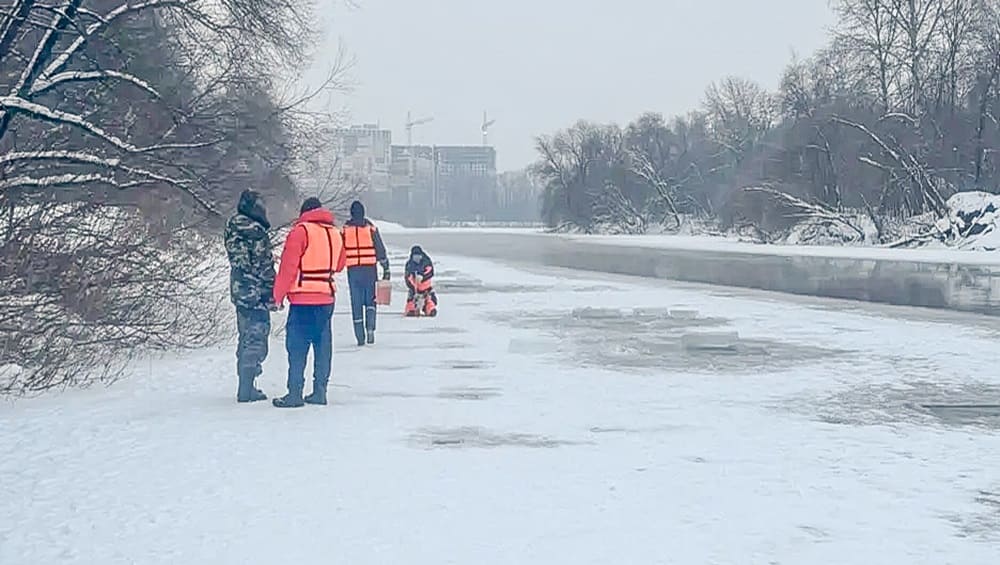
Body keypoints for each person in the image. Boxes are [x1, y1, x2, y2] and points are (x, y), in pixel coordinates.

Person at [271, 197, 346, 408]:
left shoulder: (300, 232)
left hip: (303, 299)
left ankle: (295, 393)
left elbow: (288, 267)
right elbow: (340, 265)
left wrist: (277, 296)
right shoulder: (335, 233)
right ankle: (320, 391)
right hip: (326, 297)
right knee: (323, 346)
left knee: (297, 347)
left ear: (304, 212)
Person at [223, 190, 277, 403]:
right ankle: (247, 387)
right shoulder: (256, 231)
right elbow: (264, 264)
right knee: (256, 337)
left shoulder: (231, 226)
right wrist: (272, 290)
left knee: (244, 335)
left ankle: (244, 384)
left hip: (238, 288)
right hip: (256, 291)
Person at [341, 200, 390, 346]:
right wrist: (386, 267)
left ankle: (359, 336)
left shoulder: (344, 230)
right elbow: (380, 249)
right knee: (371, 300)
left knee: (356, 302)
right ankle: (370, 328)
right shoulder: (371, 229)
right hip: (370, 269)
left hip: (353, 270)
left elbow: (339, 250)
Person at [404, 245, 438, 317]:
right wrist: (412, 283)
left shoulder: (427, 262)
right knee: (411, 300)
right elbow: (407, 276)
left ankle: (430, 309)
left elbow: (430, 272)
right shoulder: (409, 264)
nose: (417, 257)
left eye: (418, 255)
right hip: (414, 288)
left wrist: (422, 277)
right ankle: (411, 310)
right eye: (415, 256)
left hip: (426, 288)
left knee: (429, 300)